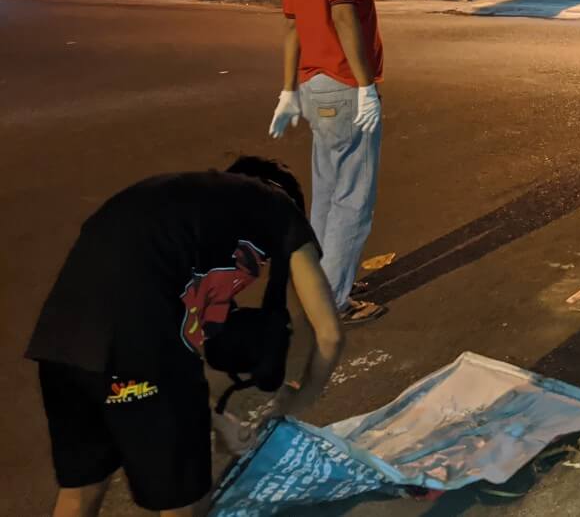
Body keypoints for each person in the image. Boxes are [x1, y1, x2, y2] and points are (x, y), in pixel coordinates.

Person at [27, 157, 344, 517]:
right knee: (186, 500)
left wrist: (217, 419)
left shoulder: (179, 205)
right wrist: (298, 398)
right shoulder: (277, 209)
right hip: (136, 349)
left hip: (60, 342)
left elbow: (166, 348)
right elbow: (329, 335)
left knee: (81, 489)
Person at [269, 0, 387, 325]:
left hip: (313, 85)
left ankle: (319, 281)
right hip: (342, 84)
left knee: (325, 193)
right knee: (354, 199)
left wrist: (287, 91)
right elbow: (343, 15)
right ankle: (334, 301)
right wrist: (365, 88)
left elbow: (293, 27)